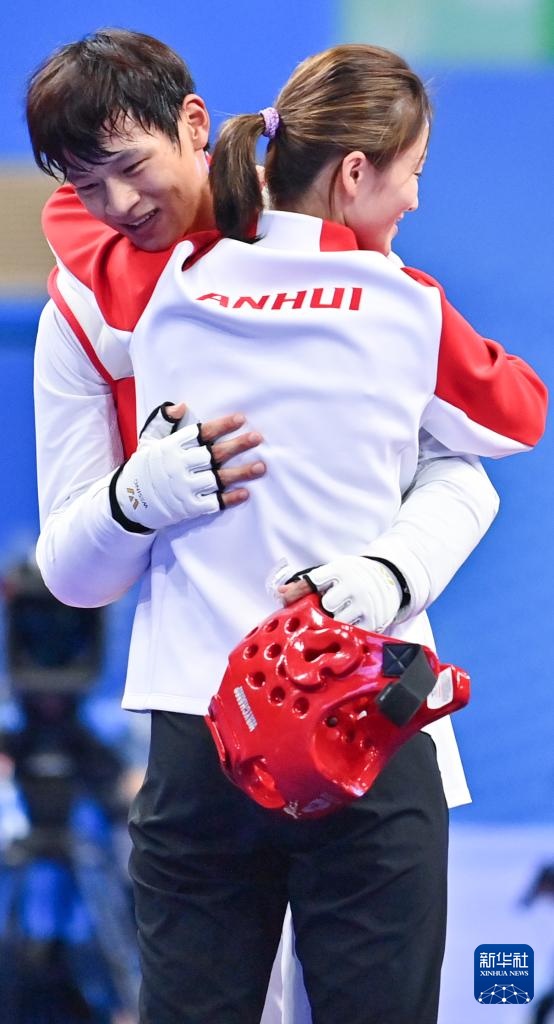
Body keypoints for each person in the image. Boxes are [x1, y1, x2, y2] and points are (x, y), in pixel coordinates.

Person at [25, 32, 547, 1024]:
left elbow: (465, 471)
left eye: (130, 168)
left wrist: (391, 571)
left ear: (195, 126)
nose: (116, 205)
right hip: (200, 731)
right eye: (86, 188)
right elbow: (72, 571)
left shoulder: (364, 274)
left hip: (369, 713)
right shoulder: (92, 312)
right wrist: (134, 498)